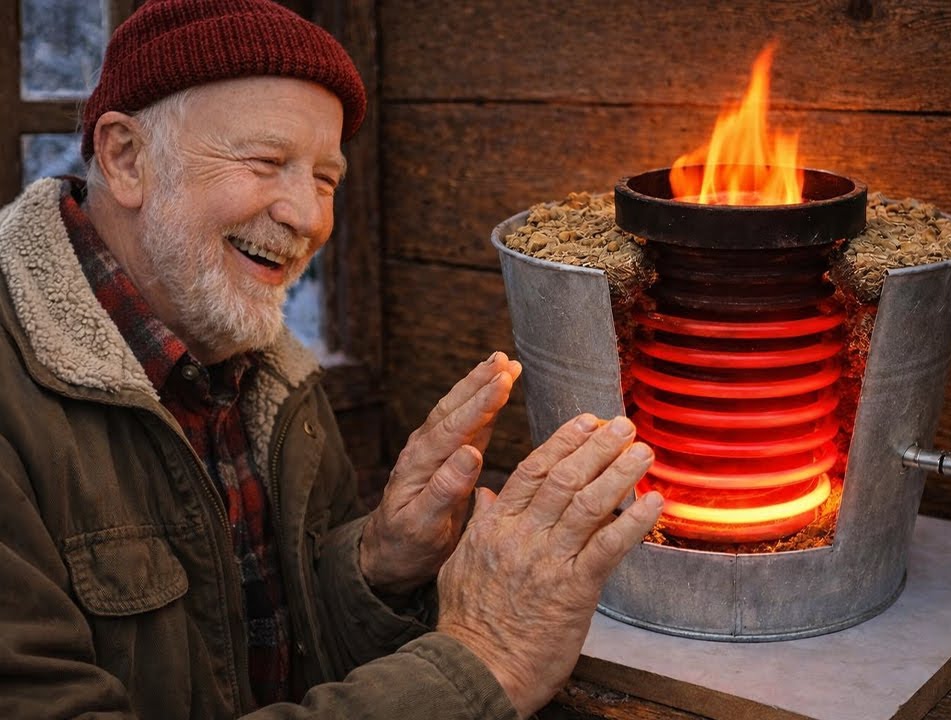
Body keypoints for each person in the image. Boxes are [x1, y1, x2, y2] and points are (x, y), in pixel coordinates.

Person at [0, 1, 662, 718]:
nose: (310, 218)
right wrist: (481, 666)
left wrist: (378, 562)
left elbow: (270, 658)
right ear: (126, 158)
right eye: (266, 162)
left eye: (325, 178)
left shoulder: (270, 374)